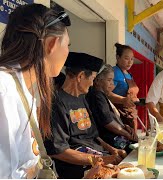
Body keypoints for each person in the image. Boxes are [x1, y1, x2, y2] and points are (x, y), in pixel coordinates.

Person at [0, 4, 70, 178]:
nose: (68, 51)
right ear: (52, 44)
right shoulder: (5, 89)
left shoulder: (22, 89)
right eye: (68, 45)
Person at [44, 52, 125, 179]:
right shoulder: (56, 103)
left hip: (97, 159)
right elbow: (58, 151)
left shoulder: (82, 98)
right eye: (92, 78)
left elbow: (94, 136)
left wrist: (112, 150)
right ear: (80, 76)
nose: (93, 84)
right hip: (78, 170)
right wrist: (102, 160)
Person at [86, 64, 138, 152]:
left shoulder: (102, 95)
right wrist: (126, 134)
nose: (112, 84)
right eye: (109, 80)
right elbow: (108, 122)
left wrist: (124, 127)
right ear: (98, 80)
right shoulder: (97, 96)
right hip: (108, 140)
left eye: (112, 80)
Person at [108, 43, 139, 131]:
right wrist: (122, 100)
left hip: (130, 113)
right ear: (118, 58)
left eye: (132, 59)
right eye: (126, 58)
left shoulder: (129, 74)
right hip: (119, 114)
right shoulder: (115, 72)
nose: (130, 62)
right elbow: (107, 94)